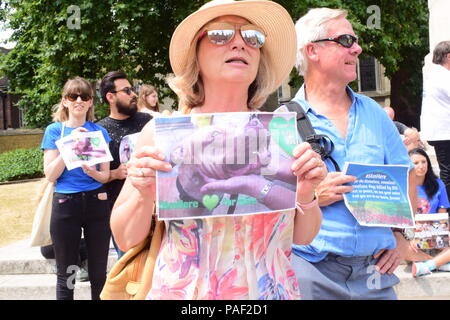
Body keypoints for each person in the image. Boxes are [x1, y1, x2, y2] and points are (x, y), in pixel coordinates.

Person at [110, 0, 327, 300]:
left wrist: (305, 194)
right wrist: (142, 190)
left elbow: (304, 236)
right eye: (221, 34)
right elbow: (124, 237)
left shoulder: (281, 133)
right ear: (195, 55)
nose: (240, 43)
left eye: (253, 37)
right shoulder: (162, 134)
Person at [289, 8, 418, 300]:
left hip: (375, 274)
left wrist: (401, 237)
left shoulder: (375, 113)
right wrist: (310, 197)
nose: (357, 48)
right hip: (310, 273)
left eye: (356, 41)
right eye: (346, 40)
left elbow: (406, 174)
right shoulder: (283, 120)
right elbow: (267, 200)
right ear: (313, 50)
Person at [41, 76, 111, 300]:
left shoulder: (98, 132)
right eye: (73, 96)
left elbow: (105, 175)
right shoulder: (54, 131)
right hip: (66, 203)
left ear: (91, 102)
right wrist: (71, 145)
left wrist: (92, 172)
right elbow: (51, 174)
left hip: (96, 201)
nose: (79, 100)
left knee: (99, 272)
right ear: (65, 101)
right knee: (67, 273)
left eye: (85, 96)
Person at [97, 71, 152, 258]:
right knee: (130, 274)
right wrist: (114, 174)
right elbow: (89, 176)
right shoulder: (99, 131)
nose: (134, 94)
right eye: (127, 91)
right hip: (123, 215)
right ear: (110, 97)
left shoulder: (148, 123)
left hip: (154, 210)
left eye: (133, 89)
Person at [400, 148, 450, 276]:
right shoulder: (402, 185)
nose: (421, 166)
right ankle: (440, 263)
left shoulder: (438, 184)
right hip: (411, 230)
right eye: (416, 163)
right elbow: (401, 216)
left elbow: (442, 216)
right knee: (399, 247)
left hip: (433, 228)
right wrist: (412, 236)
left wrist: (444, 231)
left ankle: (427, 266)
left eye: (424, 162)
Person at [420, 41, 450, 202]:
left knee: (447, 170)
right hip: (445, 131)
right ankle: (447, 204)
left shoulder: (435, 74)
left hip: (440, 130)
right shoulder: (443, 76)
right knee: (448, 172)